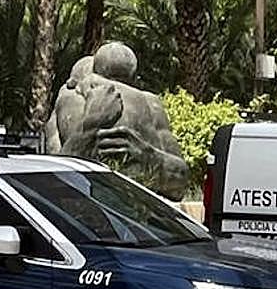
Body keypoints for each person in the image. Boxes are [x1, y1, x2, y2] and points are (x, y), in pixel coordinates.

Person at [45, 43, 190, 199]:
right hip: (88, 211)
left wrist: (149, 158)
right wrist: (91, 126)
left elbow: (180, 183)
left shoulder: (151, 105)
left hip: (134, 210)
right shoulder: (69, 100)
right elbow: (53, 184)